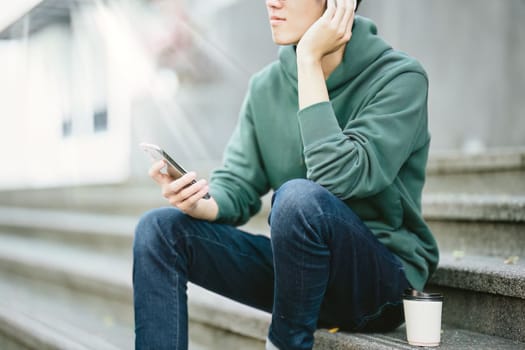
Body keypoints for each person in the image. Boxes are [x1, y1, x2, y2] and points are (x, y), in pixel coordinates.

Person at [132, 0, 439, 349]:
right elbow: (238, 182)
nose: (272, 2)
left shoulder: (398, 79)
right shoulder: (266, 86)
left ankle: (283, 344)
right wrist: (200, 204)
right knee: (158, 230)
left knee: (297, 198)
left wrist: (309, 60)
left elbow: (335, 177)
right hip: (299, 275)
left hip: (379, 285)